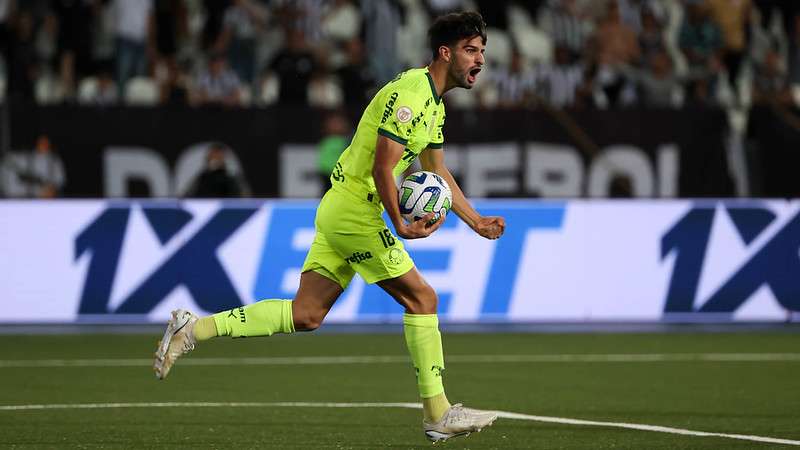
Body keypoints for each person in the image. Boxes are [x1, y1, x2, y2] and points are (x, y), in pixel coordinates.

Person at [153, 11, 505, 444]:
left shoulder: (435, 108)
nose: (480, 60)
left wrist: (475, 221)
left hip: (343, 208)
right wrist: (400, 224)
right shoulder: (412, 93)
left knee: (306, 314)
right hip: (356, 210)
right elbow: (382, 166)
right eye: (472, 50)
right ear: (445, 52)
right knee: (423, 298)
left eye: (482, 52)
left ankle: (193, 327)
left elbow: (437, 171)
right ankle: (437, 412)